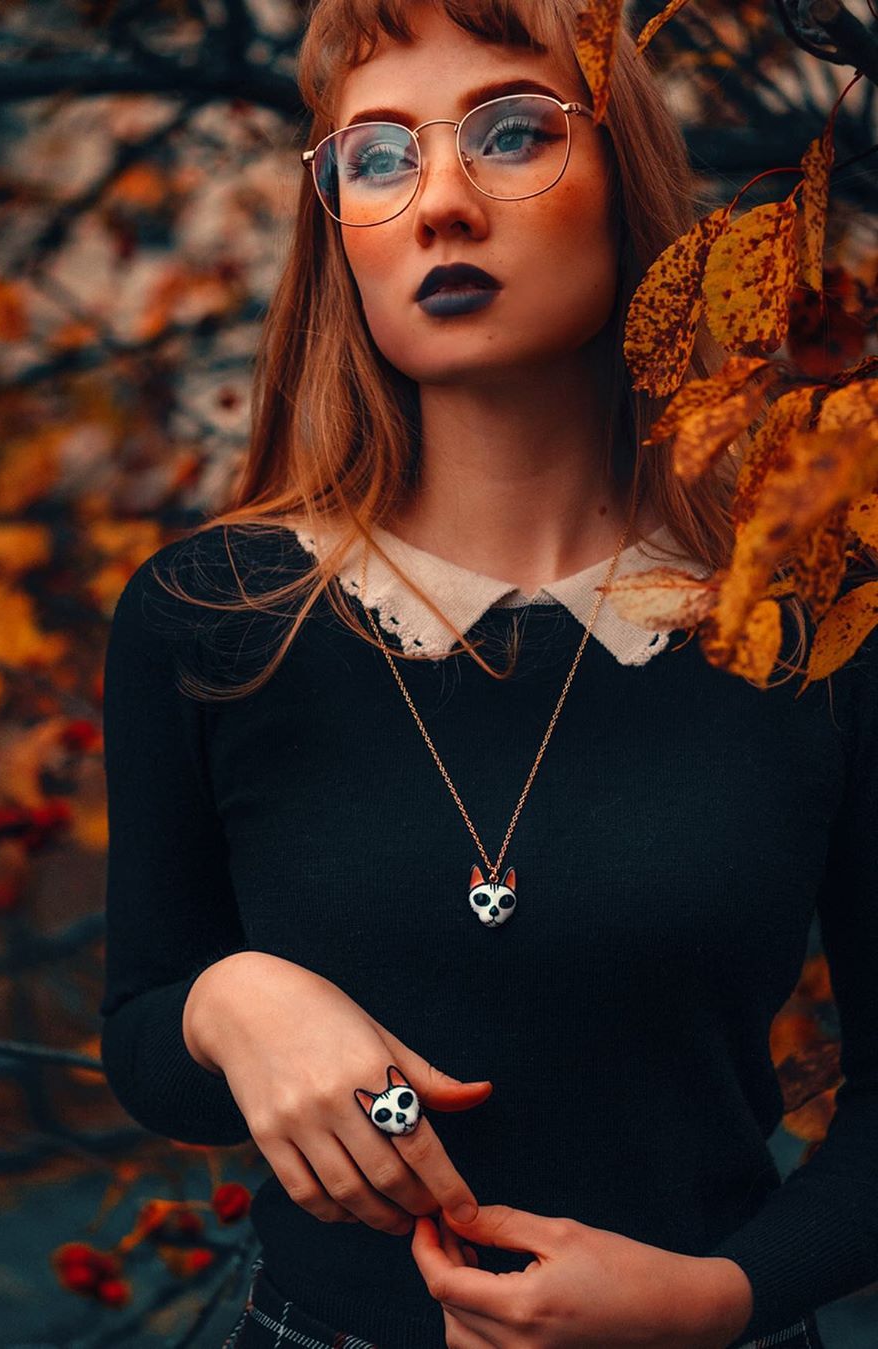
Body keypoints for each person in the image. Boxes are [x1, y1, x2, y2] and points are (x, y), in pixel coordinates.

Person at [98, 1, 878, 1346]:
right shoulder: (214, 615)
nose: (441, 204)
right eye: (379, 156)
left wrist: (717, 1297)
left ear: (625, 185)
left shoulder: (809, 620)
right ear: (338, 224)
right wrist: (234, 1004)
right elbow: (142, 1040)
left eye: (512, 132)